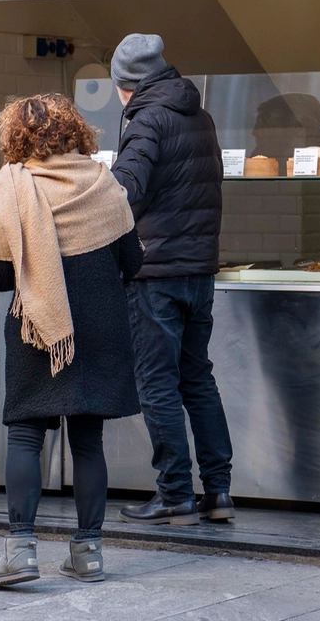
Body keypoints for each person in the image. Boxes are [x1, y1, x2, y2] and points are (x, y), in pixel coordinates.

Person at [0, 94, 143, 586]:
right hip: (100, 328)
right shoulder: (103, 183)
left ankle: (21, 551)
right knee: (89, 439)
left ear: (14, 137)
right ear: (75, 132)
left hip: (37, 329)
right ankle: (88, 552)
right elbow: (132, 263)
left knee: (27, 434)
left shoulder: (8, 190)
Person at [108, 33, 235, 525]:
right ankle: (219, 491)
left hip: (156, 272)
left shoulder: (147, 119)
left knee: (157, 382)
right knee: (197, 378)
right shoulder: (198, 115)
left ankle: (175, 491)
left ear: (129, 84)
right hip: (199, 268)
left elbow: (127, 190)